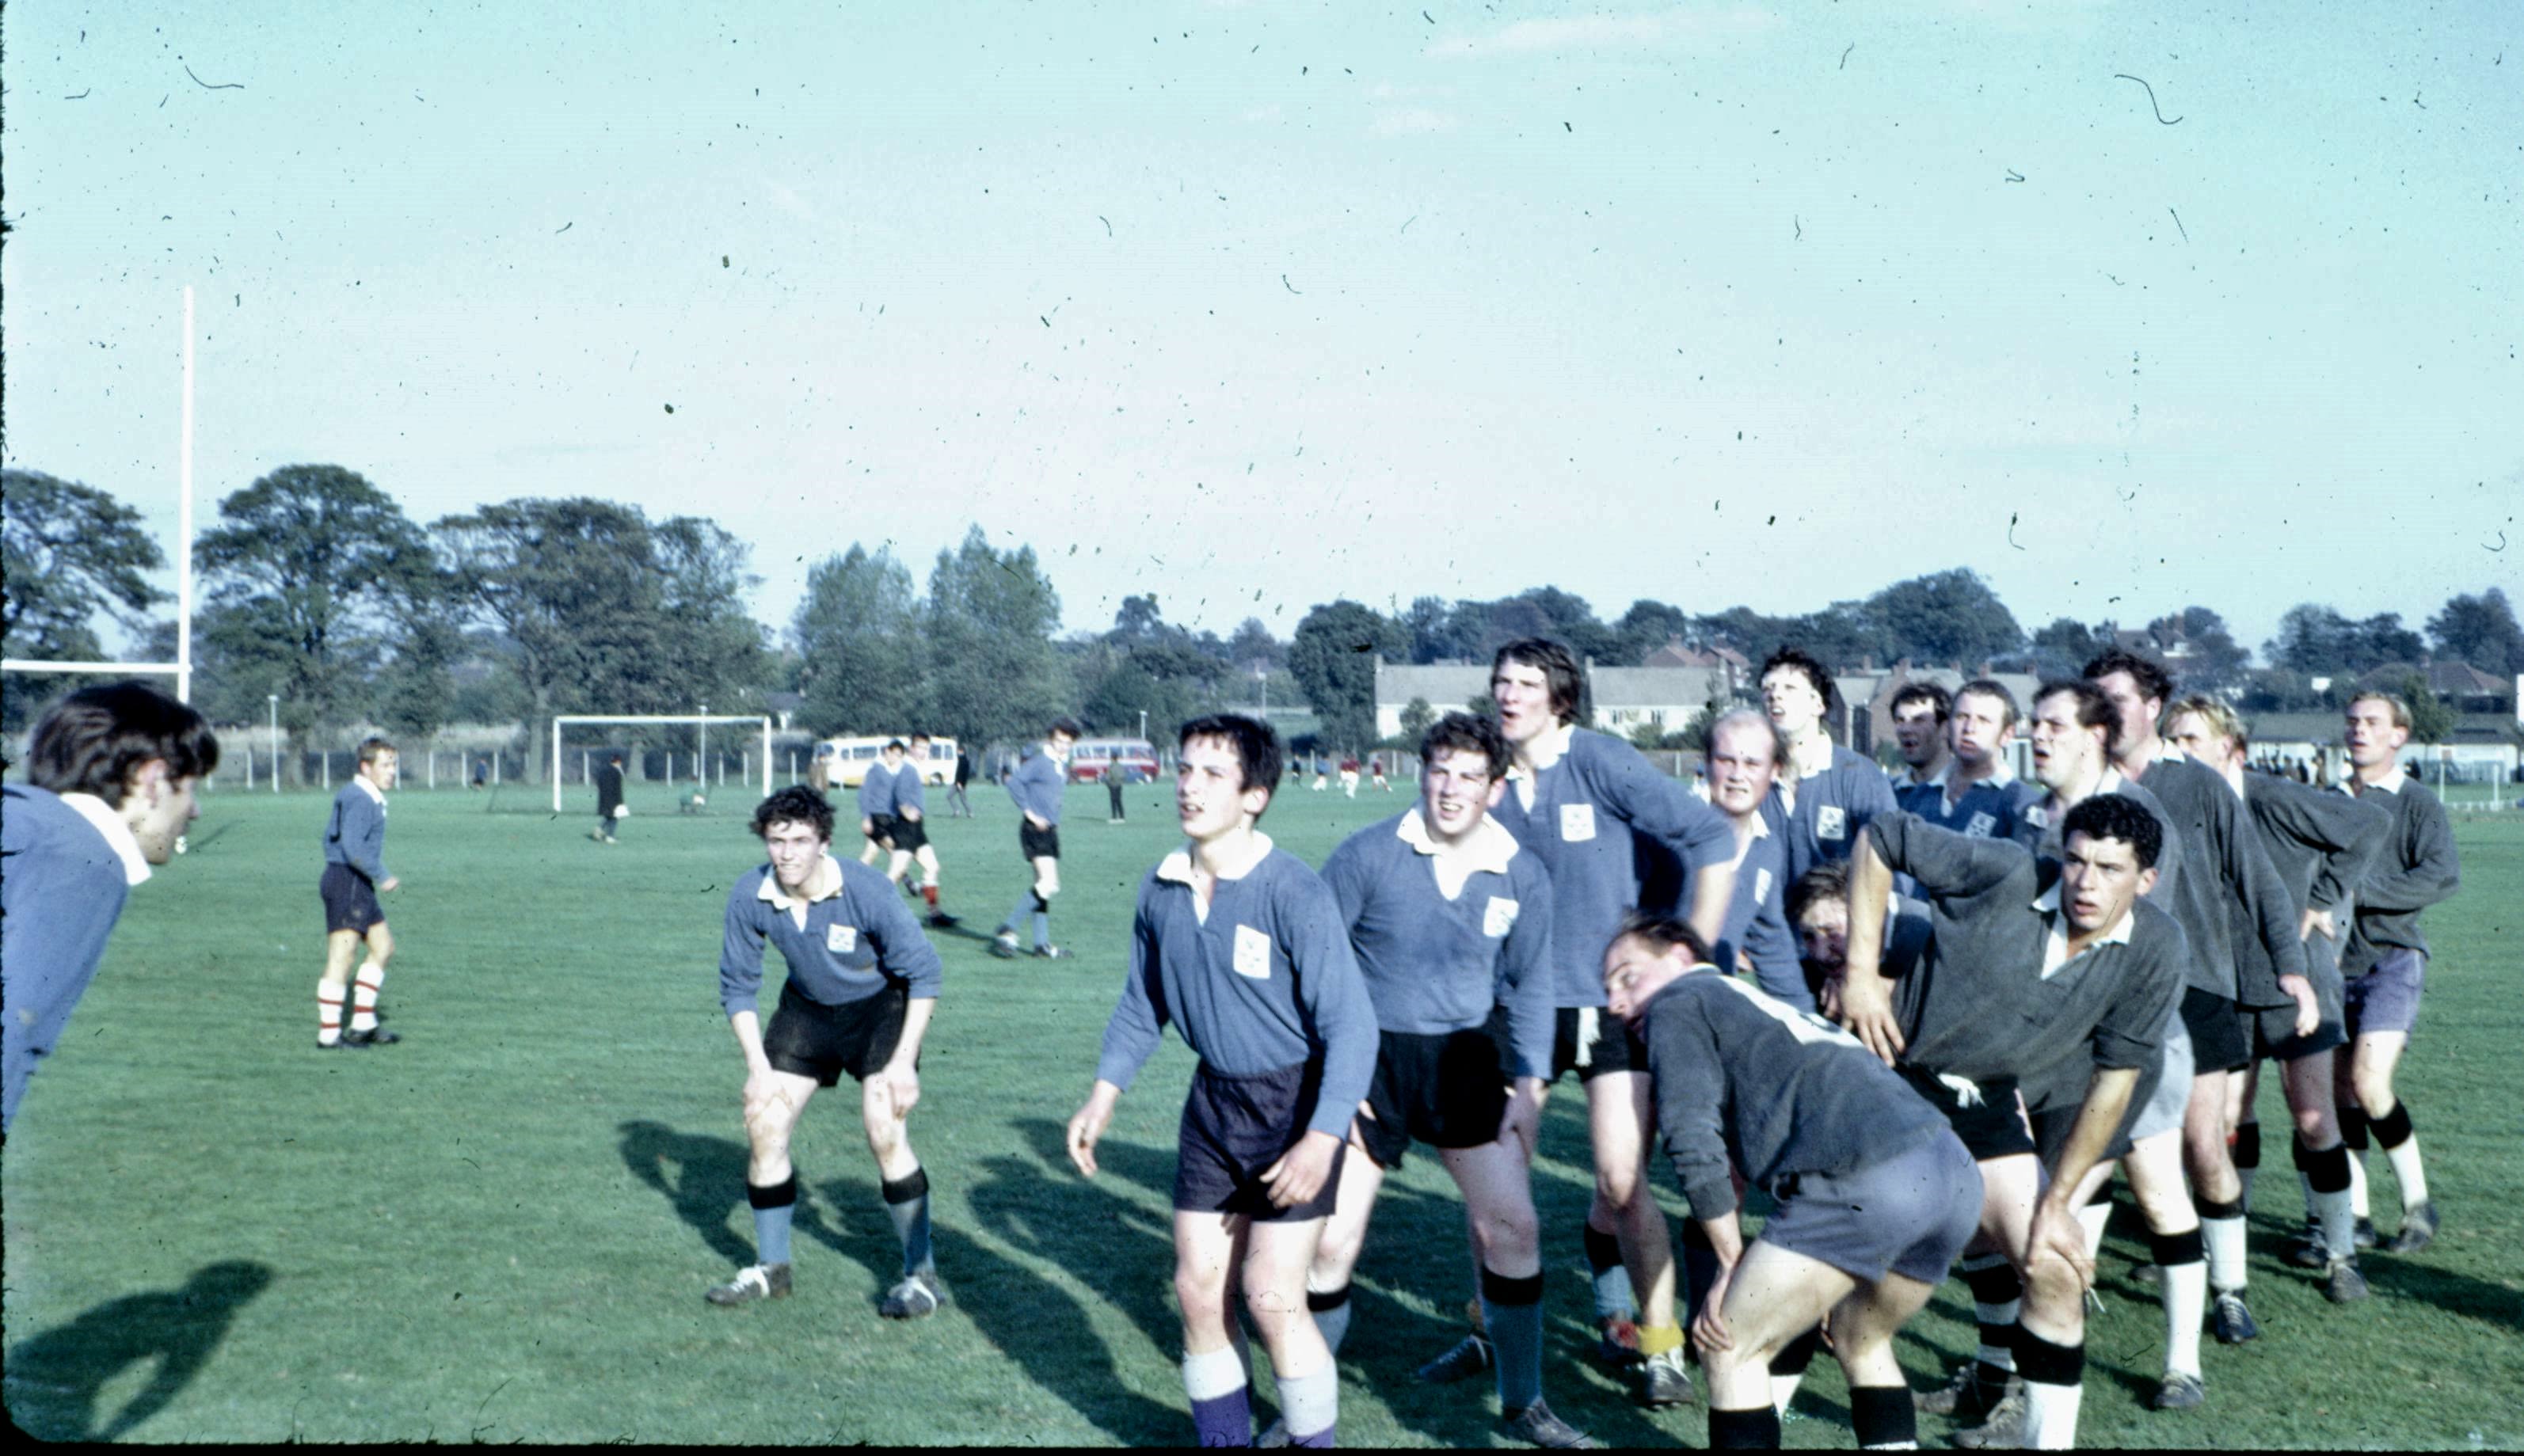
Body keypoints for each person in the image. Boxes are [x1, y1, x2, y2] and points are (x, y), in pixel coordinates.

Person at [1066, 714, 1378, 1449]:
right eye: (1184, 769)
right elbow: (1144, 1004)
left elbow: (1352, 1027)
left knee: (1271, 1297)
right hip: (1213, 1105)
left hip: (1293, 1103)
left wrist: (1321, 1140)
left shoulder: (1293, 891)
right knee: (1197, 1292)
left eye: (1212, 774)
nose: (1188, 786)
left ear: (1255, 795)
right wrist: (1102, 1095)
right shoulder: (1162, 886)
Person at [1838, 796, 2187, 1450]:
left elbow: (2113, 1084)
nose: (2084, 882)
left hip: (1987, 1100)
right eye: (2076, 860)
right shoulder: (2006, 872)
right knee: (1835, 1280)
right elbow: (1880, 837)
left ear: (2146, 880)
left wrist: (2058, 1203)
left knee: (2056, 1265)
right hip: (1893, 1082)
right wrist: (1860, 973)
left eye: (2109, 869)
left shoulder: (2157, 946)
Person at [1307, 713, 1593, 1448]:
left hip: (1467, 1063)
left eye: (1470, 774)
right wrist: (1336, 1075)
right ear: (1419, 772)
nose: (1451, 787)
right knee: (1332, 1244)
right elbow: (1315, 965)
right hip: (1372, 1062)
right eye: (1439, 769)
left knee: (1514, 1227)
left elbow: (1532, 985)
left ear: (1496, 788)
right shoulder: (1368, 854)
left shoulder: (1521, 873)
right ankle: (1300, 1407)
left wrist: (1530, 1085)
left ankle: (1522, 1402)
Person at [1469, 637, 1737, 1407]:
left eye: (1525, 683)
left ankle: (1660, 1351)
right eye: (1500, 681)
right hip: (1518, 1011)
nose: (1508, 694)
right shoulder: (1485, 774)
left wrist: (1691, 959)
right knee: (1498, 1182)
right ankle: (1492, 1329)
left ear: (1559, 696)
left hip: (1612, 1006)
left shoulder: (1601, 760)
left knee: (1622, 1184)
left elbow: (1709, 837)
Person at [1605, 914, 1982, 1454]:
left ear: (1682, 959)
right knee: (1862, 1340)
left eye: (1627, 976)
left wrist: (1729, 1261)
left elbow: (1691, 1134)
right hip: (1952, 1172)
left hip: (1871, 1172)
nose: (1616, 1002)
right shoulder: (1747, 1003)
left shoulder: (1677, 1001)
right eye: (1609, 990)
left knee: (1729, 1345)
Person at [2085, 648, 2309, 1351]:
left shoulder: (2200, 786)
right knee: (2089, 1140)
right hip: (2102, 993)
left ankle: (2230, 1290)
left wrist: (2291, 970)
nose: (2102, 712)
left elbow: (2260, 880)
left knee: (2202, 1144)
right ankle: (2074, 1275)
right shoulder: (2083, 787)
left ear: (2152, 706)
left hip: (2197, 987)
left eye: (2115, 698)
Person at [2164, 696, 2386, 1301]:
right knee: (2225, 1119)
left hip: (2295, 981)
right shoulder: (2181, 803)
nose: (2177, 751)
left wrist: (2322, 898)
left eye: (2190, 738)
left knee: (2313, 1116)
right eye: (2171, 739)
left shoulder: (2269, 796)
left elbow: (2368, 825)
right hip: (2225, 984)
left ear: (2228, 748)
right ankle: (2220, 1245)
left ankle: (2340, 1253)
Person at [705, 785, 946, 1320]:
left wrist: (904, 1061)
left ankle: (921, 1276)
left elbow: (924, 973)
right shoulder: (751, 895)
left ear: (824, 842)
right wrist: (757, 1069)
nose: (786, 852)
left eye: (799, 839)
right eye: (776, 840)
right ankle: (772, 1269)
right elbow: (738, 987)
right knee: (763, 1121)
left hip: (881, 1008)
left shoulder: (866, 889)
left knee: (883, 1126)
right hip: (809, 1010)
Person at [2, 682, 218, 1130]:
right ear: (152, 780)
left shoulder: (27, 824)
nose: (194, 811)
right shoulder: (79, 858)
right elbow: (11, 1026)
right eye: (190, 789)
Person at [2332, 691, 2461, 1254]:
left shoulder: (2415, 803)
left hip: (2392, 959)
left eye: (2372, 723)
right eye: (2353, 721)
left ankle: (2416, 1204)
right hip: (2329, 964)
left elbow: (2441, 874)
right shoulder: (2328, 799)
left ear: (2398, 735)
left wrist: (2362, 895)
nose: (2358, 730)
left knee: (2368, 1082)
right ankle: (2356, 1214)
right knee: (2339, 1093)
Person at [1757, 647, 1897, 887]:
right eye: (1768, 688)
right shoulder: (1748, 776)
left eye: (1789, 688)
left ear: (1818, 705)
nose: (1775, 695)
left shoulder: (1861, 776)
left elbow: (1890, 865)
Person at [1703, 709, 1807, 1007]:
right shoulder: (1673, 833)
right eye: (1726, 761)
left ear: (1775, 771)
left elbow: (1770, 943)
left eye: (1752, 764)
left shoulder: (1767, 848)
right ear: (1709, 763)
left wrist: (1809, 1028)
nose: (1738, 775)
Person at [318, 738, 404, 1051]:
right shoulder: (361, 798)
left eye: (394, 764)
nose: (392, 771)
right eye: (385, 765)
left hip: (355, 882)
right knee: (342, 958)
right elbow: (352, 848)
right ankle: (329, 1035)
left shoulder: (364, 795)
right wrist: (382, 875)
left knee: (383, 947)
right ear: (365, 767)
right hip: (347, 881)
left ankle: (363, 1023)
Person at [1901, 679, 2031, 841]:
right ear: (1948, 725)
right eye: (1961, 717)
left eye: (1983, 720)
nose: (1969, 728)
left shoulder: (2019, 803)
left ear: (2007, 735)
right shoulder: (1920, 796)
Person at [993, 718, 1079, 959]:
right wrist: (1031, 813)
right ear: (1051, 739)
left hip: (1049, 830)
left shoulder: (1060, 763)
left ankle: (1041, 945)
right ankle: (1008, 927)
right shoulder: (1041, 761)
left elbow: (1050, 793)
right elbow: (1015, 784)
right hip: (1035, 830)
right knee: (1050, 884)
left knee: (1043, 887)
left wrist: (1054, 816)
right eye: (1059, 741)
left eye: (1068, 742)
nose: (1063, 746)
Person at [895, 736, 954, 926]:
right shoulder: (907, 768)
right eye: (920, 747)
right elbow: (898, 795)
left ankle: (934, 914)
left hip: (916, 828)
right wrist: (907, 812)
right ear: (911, 748)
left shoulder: (914, 768)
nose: (924, 752)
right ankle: (868, 912)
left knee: (932, 867)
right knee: (894, 875)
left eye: (927, 748)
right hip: (906, 828)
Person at [1885, 681, 1954, 796]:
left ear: (1945, 728)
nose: (1906, 730)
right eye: (1900, 720)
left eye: (1918, 720)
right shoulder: (1888, 796)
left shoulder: (1970, 794)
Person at [858, 739, 910, 869]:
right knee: (895, 849)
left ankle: (850, 883)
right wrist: (866, 818)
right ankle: (910, 885)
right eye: (895, 755)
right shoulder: (876, 769)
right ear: (887, 751)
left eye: (900, 756)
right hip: (877, 818)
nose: (897, 759)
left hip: (886, 818)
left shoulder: (891, 772)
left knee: (871, 853)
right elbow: (864, 793)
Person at [594, 751, 626, 843]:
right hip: (614, 799)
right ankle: (610, 836)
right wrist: (621, 802)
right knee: (615, 817)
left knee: (609, 816)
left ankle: (599, 828)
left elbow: (599, 784)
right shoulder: (617, 772)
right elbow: (618, 789)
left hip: (603, 797)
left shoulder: (603, 771)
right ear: (618, 762)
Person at [948, 743, 974, 818]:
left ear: (961, 751)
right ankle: (957, 811)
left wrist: (960, 783)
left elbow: (964, 774)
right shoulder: (960, 759)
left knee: (962, 799)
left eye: (957, 751)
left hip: (960, 784)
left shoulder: (965, 761)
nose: (956, 752)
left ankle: (970, 812)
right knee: (949, 796)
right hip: (957, 783)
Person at [1106, 758, 1128, 823]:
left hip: (1112, 786)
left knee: (1113, 802)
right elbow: (1123, 776)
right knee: (1119, 801)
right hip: (1119, 786)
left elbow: (1108, 778)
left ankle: (1114, 817)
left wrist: (1108, 784)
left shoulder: (1111, 766)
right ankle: (1122, 817)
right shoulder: (1120, 766)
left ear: (1112, 758)